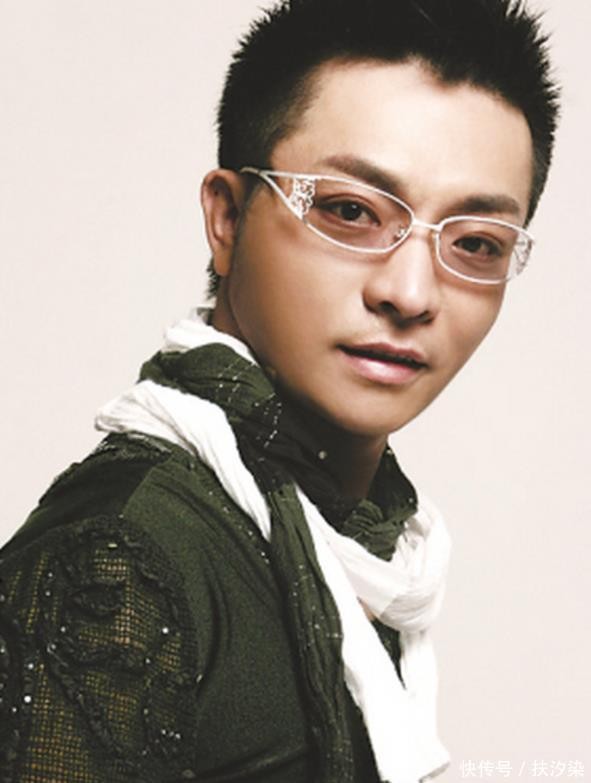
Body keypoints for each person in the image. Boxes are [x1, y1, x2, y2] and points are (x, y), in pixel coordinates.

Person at [0, 0, 559, 781]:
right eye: (349, 210)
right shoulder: (115, 559)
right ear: (227, 218)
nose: (409, 292)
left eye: (474, 243)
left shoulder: (358, 541)